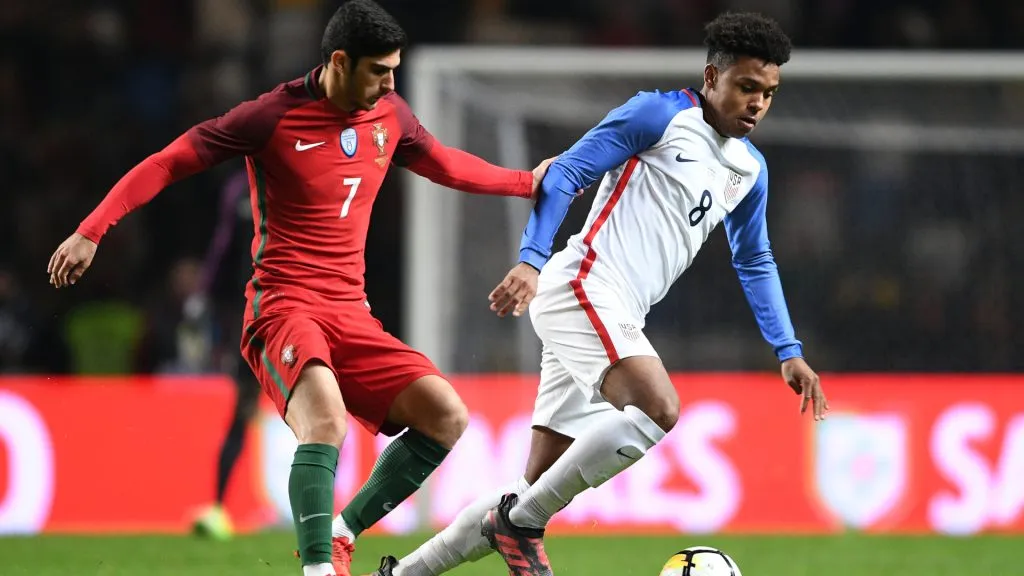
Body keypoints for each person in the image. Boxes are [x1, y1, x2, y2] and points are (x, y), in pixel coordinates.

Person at [46, 2, 554, 575]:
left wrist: (524, 182)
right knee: (327, 422)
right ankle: (317, 569)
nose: (391, 83)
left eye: (394, 71)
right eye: (379, 71)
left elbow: (444, 164)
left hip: (351, 311)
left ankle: (341, 531)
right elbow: (168, 162)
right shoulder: (270, 117)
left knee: (446, 416)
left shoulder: (389, 113)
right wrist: (92, 230)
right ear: (340, 61)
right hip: (283, 306)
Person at [370, 12, 829, 576]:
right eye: (747, 87)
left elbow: (754, 257)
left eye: (769, 93)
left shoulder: (750, 170)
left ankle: (401, 574)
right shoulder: (658, 115)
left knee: (532, 484)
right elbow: (564, 174)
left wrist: (788, 349)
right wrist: (532, 261)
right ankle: (522, 523)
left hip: (616, 309)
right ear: (712, 77)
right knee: (657, 407)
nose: (758, 103)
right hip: (583, 285)